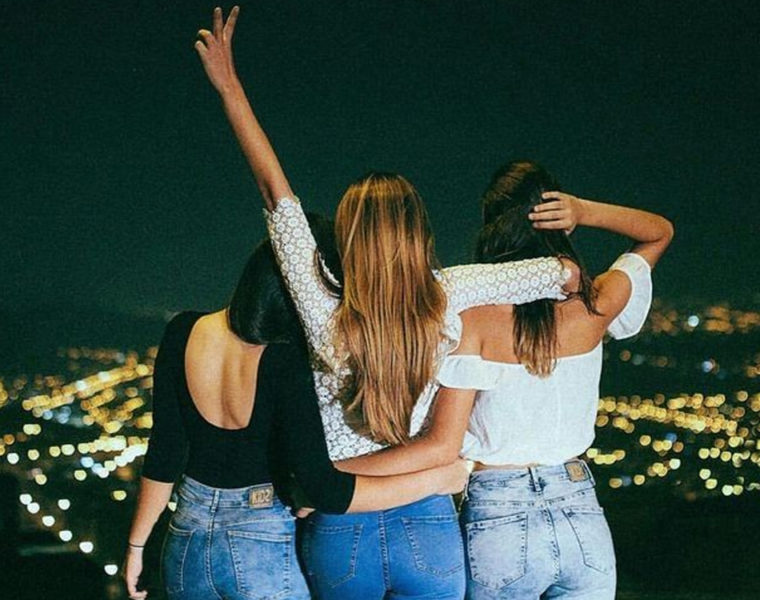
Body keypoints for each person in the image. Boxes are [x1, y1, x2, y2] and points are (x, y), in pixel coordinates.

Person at [194, 7, 575, 599]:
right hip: (429, 518)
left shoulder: (324, 308)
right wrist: (569, 245)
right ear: (418, 231)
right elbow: (564, 275)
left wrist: (229, 87)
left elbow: (275, 192)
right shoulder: (450, 292)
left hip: (339, 525)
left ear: (346, 236)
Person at [339, 160, 674, 599]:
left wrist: (331, 475)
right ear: (559, 224)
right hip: (580, 515)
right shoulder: (595, 304)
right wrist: (582, 210)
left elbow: (441, 446)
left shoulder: (473, 321)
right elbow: (658, 232)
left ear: (492, 227)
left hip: (498, 517)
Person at [121, 229, 470, 600]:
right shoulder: (287, 358)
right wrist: (437, 479)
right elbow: (325, 489)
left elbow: (164, 455)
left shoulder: (181, 331)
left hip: (187, 541)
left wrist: (136, 547)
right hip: (262, 544)